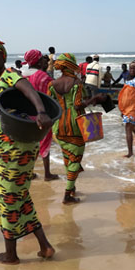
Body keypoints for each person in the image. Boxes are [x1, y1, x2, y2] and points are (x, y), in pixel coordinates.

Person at [0, 34, 54, 265]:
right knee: (19, 197)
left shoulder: (10, 75)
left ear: (3, 57)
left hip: (16, 145)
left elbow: (29, 90)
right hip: (2, 147)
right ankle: (45, 246)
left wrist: (41, 111)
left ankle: (11, 254)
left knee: (8, 199)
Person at [48, 53, 103, 204]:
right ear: (71, 65)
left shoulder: (52, 84)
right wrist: (94, 99)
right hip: (75, 124)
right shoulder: (76, 83)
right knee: (75, 159)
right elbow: (78, 104)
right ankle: (67, 195)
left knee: (67, 156)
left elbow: (49, 104)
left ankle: (71, 188)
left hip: (59, 124)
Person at [23, 49, 58, 181]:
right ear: (38, 61)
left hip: (24, 115)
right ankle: (47, 174)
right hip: (40, 113)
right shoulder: (42, 76)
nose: (45, 61)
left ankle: (28, 172)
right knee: (44, 142)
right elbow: (54, 91)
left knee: (28, 145)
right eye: (42, 59)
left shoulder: (20, 74)